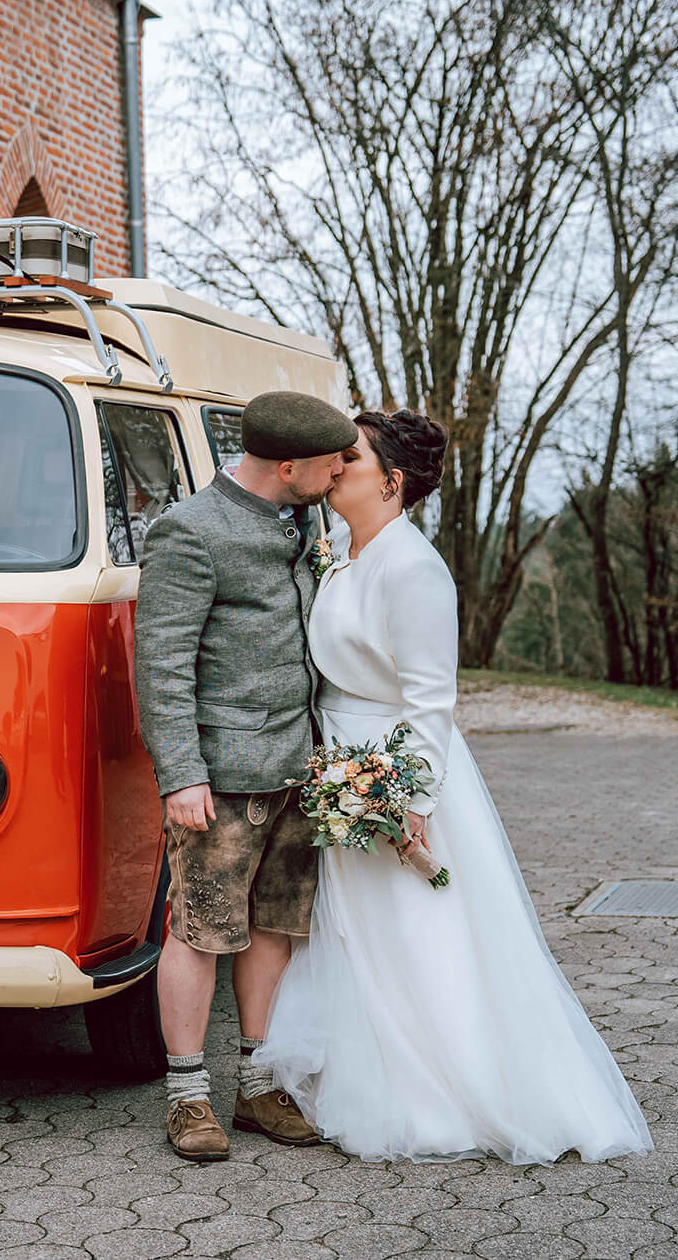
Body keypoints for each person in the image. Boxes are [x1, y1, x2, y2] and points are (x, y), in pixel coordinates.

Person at [253, 408, 653, 1163]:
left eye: (352, 458)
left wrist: (410, 805)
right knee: (358, 937)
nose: (335, 469)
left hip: (393, 769)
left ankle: (445, 1091)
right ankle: (368, 1072)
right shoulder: (340, 548)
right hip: (341, 765)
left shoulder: (413, 569)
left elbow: (431, 700)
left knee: (418, 932)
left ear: (393, 483)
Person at [134, 389, 357, 1161]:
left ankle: (257, 1084)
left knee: (273, 929)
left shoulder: (308, 521)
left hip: (298, 769)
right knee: (198, 932)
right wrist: (180, 774)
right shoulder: (189, 532)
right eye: (331, 465)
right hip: (217, 781)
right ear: (288, 464)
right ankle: (187, 1097)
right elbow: (161, 663)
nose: (340, 476)